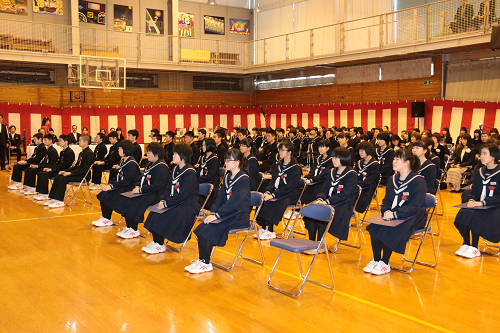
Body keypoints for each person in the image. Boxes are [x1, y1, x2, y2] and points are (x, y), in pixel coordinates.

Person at [186, 149, 251, 274]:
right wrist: (213, 213)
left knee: (211, 229)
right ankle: (203, 260)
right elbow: (220, 199)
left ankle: (205, 263)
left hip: (237, 215)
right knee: (203, 227)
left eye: (228, 160)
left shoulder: (244, 179)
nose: (225, 162)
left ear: (237, 162)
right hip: (225, 213)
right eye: (225, 159)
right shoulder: (227, 177)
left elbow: (235, 203)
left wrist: (218, 215)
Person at [364, 148, 427, 275]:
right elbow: (386, 200)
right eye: (394, 158)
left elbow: (415, 206)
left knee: (390, 228)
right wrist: (386, 211)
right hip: (393, 213)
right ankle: (376, 260)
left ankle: (385, 263)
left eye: (397, 159)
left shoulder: (418, 181)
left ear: (407, 162)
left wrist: (395, 214)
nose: (394, 161)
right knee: (375, 227)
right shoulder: (393, 179)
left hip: (413, 216)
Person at [94, 143, 170, 239]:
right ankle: (129, 226)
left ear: (156, 153)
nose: (147, 154)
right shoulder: (150, 164)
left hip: (157, 194)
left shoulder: (162, 167)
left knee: (135, 201)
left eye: (149, 152)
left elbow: (158, 186)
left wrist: (141, 190)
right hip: (147, 191)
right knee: (128, 198)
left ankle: (134, 229)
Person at [143, 143, 200, 253]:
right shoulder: (174, 169)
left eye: (175, 154)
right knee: (155, 211)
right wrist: (163, 200)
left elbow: (183, 194)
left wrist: (167, 203)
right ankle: (157, 241)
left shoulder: (190, 173)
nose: (172, 156)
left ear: (183, 156)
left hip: (187, 204)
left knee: (165, 214)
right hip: (174, 201)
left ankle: (160, 244)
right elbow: (168, 188)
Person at [303, 147, 358, 254]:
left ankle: (320, 245)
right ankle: (312, 242)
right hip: (327, 202)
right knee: (310, 212)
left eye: (336, 157)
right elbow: (325, 188)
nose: (333, 159)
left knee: (323, 214)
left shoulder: (351, 174)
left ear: (344, 158)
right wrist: (320, 199)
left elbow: (345, 194)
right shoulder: (331, 171)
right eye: (333, 157)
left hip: (342, 204)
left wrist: (328, 202)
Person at [454, 143, 500, 259]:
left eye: (485, 154)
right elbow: (474, 190)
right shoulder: (479, 172)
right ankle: (466, 243)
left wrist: (483, 203)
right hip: (480, 204)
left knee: (475, 215)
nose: (481, 157)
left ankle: (475, 247)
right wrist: (471, 200)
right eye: (481, 154)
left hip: (495, 206)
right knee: (463, 213)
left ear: (493, 156)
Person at [93, 141, 142, 237]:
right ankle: (106, 217)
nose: (118, 150)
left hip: (130, 187)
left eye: (120, 149)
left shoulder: (131, 163)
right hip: (123, 185)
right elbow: (118, 177)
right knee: (103, 194)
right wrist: (110, 184)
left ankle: (131, 228)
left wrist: (112, 186)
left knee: (110, 195)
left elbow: (127, 180)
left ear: (126, 150)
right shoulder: (123, 160)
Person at [255, 141, 302, 240]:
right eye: (279, 150)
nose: (280, 152)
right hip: (278, 191)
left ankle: (271, 230)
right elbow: (272, 182)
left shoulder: (296, 168)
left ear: (289, 152)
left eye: (282, 150)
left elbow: (290, 186)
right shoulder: (278, 165)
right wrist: (268, 192)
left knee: (273, 202)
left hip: (290, 194)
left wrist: (274, 195)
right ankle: (264, 227)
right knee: (263, 200)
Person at [42, 135, 95, 208]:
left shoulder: (89, 153)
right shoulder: (82, 153)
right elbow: (76, 166)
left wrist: (70, 173)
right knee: (58, 176)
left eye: (80, 141)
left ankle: (59, 201)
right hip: (77, 172)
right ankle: (54, 198)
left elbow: (84, 169)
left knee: (62, 178)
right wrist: (65, 171)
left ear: (86, 142)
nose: (78, 142)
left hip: (83, 175)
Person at [33, 135, 75, 201]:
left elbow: (64, 165)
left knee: (44, 174)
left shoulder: (69, 152)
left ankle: (44, 193)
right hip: (59, 168)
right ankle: (41, 192)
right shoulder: (62, 152)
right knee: (41, 173)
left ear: (66, 142)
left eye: (61, 141)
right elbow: (58, 163)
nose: (59, 142)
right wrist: (50, 168)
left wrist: (52, 169)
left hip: (63, 170)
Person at [301, 140, 333, 205]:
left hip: (322, 181)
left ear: (327, 148)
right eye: (319, 147)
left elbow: (324, 174)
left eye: (322, 147)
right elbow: (312, 170)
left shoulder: (331, 160)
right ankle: (302, 208)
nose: (320, 149)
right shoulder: (318, 159)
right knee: (301, 186)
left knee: (313, 189)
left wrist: (312, 180)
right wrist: (307, 178)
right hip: (314, 180)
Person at [354, 142, 380, 214]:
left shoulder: (374, 164)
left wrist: (357, 185)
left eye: (362, 150)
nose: (360, 153)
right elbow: (354, 176)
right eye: (359, 150)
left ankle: (350, 211)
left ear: (368, 150)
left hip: (368, 188)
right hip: (357, 186)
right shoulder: (359, 162)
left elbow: (370, 181)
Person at [196, 138, 220, 209]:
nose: (202, 147)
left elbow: (210, 176)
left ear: (209, 146)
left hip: (211, 183)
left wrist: (198, 180)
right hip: (202, 180)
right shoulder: (203, 157)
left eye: (204, 145)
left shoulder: (214, 159)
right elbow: (199, 171)